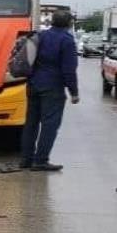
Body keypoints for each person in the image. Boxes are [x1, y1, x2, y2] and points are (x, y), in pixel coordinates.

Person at [21, 10, 80, 172]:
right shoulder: (66, 40)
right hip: (52, 87)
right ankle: (40, 160)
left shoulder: (40, 35)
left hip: (33, 84)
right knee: (50, 124)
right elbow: (69, 69)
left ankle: (26, 159)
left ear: (51, 22)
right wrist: (73, 92)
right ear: (69, 23)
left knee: (31, 123)